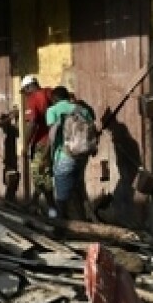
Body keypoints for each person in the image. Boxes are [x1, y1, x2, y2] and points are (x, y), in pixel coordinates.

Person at [46, 86, 96, 220]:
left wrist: (47, 157)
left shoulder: (52, 110)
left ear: (54, 98)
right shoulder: (83, 110)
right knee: (78, 189)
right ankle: (82, 222)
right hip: (82, 155)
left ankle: (61, 225)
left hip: (64, 156)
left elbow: (52, 136)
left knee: (62, 197)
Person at [21, 75, 57, 216]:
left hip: (42, 142)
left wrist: (25, 145)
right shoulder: (50, 92)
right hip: (56, 142)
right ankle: (34, 203)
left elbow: (32, 123)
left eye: (25, 91)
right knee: (43, 173)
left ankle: (52, 208)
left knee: (40, 174)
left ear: (29, 87)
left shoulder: (34, 98)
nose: (25, 94)